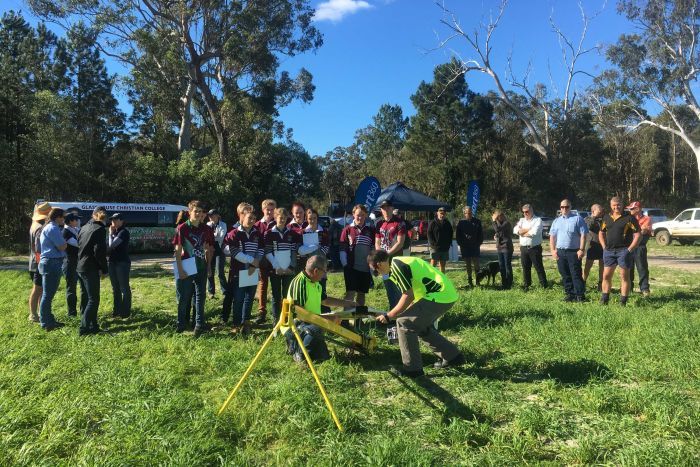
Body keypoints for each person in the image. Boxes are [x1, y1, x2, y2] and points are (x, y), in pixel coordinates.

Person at [369, 250, 465, 378]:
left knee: (404, 323)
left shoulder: (397, 265)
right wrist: (399, 312)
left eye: (375, 271)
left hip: (439, 296)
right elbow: (412, 295)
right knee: (418, 325)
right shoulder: (398, 262)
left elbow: (408, 295)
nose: (377, 274)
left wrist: (389, 315)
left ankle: (412, 369)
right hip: (443, 295)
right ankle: (453, 357)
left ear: (379, 264)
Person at [285, 255, 357, 363]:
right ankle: (297, 351)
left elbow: (325, 300)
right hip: (296, 325)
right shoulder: (300, 283)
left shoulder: (316, 283)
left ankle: (308, 350)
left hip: (312, 323)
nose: (325, 274)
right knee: (316, 330)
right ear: (315, 271)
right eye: (324, 271)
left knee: (324, 357)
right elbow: (300, 314)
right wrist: (326, 319)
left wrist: (348, 303)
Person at [173, 200, 214, 336]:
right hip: (187, 266)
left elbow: (208, 249)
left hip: (201, 266)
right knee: (184, 297)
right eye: (195, 211)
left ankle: (199, 325)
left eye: (200, 212)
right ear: (189, 212)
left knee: (200, 297)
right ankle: (180, 324)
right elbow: (178, 251)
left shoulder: (207, 229)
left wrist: (208, 266)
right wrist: (180, 269)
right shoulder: (182, 228)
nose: (197, 214)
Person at [222, 203, 263, 336]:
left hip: (252, 271)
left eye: (254, 218)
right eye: (249, 217)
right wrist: (252, 261)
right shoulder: (234, 233)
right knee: (238, 299)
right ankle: (236, 324)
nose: (251, 220)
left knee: (249, 298)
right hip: (239, 272)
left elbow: (261, 249)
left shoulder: (257, 233)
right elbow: (234, 252)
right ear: (242, 217)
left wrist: (254, 265)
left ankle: (246, 323)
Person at [599, 197, 641, 306]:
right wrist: (604, 246)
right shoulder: (606, 217)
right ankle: (604, 299)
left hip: (623, 251)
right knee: (606, 276)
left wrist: (630, 249)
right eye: (614, 205)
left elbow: (638, 235)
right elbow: (601, 233)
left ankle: (623, 302)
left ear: (622, 205)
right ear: (610, 205)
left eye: (618, 205)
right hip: (609, 251)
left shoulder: (629, 218)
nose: (616, 207)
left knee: (624, 277)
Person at [264, 207, 301, 324]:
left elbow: (294, 252)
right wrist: (277, 267)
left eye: (285, 218)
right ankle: (276, 321)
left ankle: (286, 319)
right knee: (275, 296)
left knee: (287, 296)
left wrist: (291, 267)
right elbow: (268, 252)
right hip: (276, 270)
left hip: (288, 270)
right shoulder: (269, 233)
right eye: (280, 217)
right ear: (275, 217)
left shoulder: (291, 233)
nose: (282, 220)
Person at [77, 206, 109, 335]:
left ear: (92, 215)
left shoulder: (84, 227)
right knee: (93, 299)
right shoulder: (100, 229)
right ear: (104, 217)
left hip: (80, 267)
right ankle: (84, 329)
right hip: (90, 267)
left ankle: (93, 325)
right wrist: (104, 269)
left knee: (86, 297)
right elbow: (99, 252)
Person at [549, 199, 589, 302]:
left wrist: (581, 249)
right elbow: (552, 237)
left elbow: (583, 235)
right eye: (562, 207)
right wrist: (553, 250)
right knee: (565, 274)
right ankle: (570, 294)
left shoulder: (578, 219)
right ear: (560, 208)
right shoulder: (556, 221)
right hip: (560, 252)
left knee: (575, 274)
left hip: (573, 252)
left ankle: (580, 295)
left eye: (566, 207)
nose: (564, 209)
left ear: (570, 207)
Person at [38, 207, 68, 331]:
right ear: (58, 217)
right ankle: (46, 323)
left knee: (47, 294)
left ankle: (48, 320)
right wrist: (66, 243)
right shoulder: (53, 228)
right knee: (47, 295)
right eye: (63, 217)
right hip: (52, 263)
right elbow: (62, 247)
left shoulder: (49, 227)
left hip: (49, 263)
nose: (64, 220)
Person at [340, 204, 375, 307]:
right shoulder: (347, 229)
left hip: (365, 268)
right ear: (353, 215)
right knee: (350, 294)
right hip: (351, 267)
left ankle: (358, 320)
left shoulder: (371, 230)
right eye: (358, 215)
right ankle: (345, 320)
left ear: (366, 215)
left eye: (363, 215)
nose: (360, 217)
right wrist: (345, 264)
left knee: (361, 294)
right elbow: (342, 249)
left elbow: (373, 249)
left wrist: (372, 266)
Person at [374, 200, 406, 309]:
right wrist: (380, 255)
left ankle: (399, 311)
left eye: (388, 207)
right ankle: (392, 309)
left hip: (396, 260)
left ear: (392, 208)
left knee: (398, 286)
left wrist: (387, 254)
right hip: (384, 261)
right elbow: (377, 242)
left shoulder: (400, 223)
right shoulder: (379, 223)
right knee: (388, 285)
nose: (386, 210)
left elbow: (400, 243)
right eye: (383, 208)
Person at [298, 208, 330, 311]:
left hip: (321, 266)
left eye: (314, 218)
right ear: (307, 219)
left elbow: (326, 248)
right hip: (307, 267)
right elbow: (300, 250)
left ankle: (324, 315)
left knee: (321, 291)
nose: (312, 220)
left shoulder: (324, 232)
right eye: (310, 218)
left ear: (317, 218)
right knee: (308, 291)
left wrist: (314, 251)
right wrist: (315, 247)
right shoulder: (303, 232)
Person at [513, 204, 547, 291]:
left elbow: (534, 232)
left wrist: (522, 231)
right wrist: (528, 229)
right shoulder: (521, 220)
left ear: (531, 211)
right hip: (523, 248)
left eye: (527, 211)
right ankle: (527, 285)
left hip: (534, 248)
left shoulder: (538, 220)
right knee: (525, 268)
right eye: (523, 212)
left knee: (538, 267)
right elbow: (515, 230)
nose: (525, 213)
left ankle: (544, 286)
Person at [28, 202, 51, 323]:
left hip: (34, 262)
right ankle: (33, 315)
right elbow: (38, 249)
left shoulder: (34, 224)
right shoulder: (39, 228)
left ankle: (40, 313)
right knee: (37, 289)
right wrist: (41, 264)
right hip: (37, 263)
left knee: (40, 289)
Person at [254, 199, 276, 324]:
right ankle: (261, 312)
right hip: (261, 258)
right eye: (267, 209)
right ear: (263, 210)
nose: (270, 212)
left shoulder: (278, 223)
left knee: (275, 286)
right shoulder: (257, 225)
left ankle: (276, 313)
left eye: (272, 209)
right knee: (262, 285)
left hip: (275, 258)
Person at [107, 213, 132, 318]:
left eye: (116, 219)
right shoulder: (115, 232)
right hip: (112, 262)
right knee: (115, 288)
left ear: (122, 221)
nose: (113, 221)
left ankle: (125, 312)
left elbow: (111, 246)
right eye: (112, 219)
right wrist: (111, 234)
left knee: (124, 288)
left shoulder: (123, 232)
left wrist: (109, 234)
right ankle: (116, 310)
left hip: (122, 263)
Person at [627, 201, 652, 297]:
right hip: (629, 246)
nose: (630, 210)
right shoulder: (629, 218)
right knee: (628, 268)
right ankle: (628, 288)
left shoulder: (646, 218)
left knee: (642, 268)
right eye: (629, 209)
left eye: (632, 208)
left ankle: (645, 289)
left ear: (638, 209)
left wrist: (634, 232)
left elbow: (643, 231)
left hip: (639, 247)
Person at [455, 206, 483, 287]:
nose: (470, 214)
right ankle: (470, 280)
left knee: (476, 264)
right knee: (468, 264)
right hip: (465, 247)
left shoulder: (477, 221)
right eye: (468, 213)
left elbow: (481, 234)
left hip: (475, 246)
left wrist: (478, 243)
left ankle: (478, 280)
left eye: (471, 213)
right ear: (464, 213)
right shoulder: (461, 222)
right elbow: (458, 235)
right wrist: (461, 244)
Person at [62, 212, 83, 316]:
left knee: (82, 287)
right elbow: (79, 244)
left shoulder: (76, 230)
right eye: (76, 219)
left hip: (78, 263)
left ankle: (83, 311)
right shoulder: (65, 232)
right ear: (70, 221)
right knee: (71, 288)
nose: (78, 221)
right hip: (70, 264)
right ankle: (72, 313)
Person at [206, 209, 228, 298]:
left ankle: (225, 291)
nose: (210, 217)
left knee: (220, 272)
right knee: (210, 270)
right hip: (210, 249)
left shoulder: (223, 224)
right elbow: (206, 238)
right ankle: (211, 292)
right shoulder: (207, 225)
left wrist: (212, 237)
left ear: (218, 216)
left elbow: (221, 237)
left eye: (212, 215)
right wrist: (214, 236)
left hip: (220, 250)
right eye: (209, 215)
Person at [583, 204, 604, 291]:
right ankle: (583, 282)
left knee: (602, 265)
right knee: (588, 265)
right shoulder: (587, 219)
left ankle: (601, 284)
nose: (601, 212)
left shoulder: (603, 219)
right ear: (593, 211)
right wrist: (594, 217)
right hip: (592, 245)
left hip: (602, 245)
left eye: (601, 211)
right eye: (599, 211)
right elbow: (589, 226)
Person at [492, 210, 514, 289]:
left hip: (507, 247)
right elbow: (498, 232)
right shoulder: (498, 224)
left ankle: (509, 283)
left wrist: (494, 221)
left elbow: (498, 229)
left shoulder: (506, 223)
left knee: (507, 265)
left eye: (498, 217)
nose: (498, 219)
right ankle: (504, 283)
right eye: (497, 218)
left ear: (502, 216)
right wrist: (496, 237)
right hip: (499, 248)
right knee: (501, 266)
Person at [427, 207, 453, 273]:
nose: (442, 215)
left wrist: (448, 244)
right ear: (437, 213)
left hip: (444, 248)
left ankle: (442, 281)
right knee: (433, 265)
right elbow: (429, 234)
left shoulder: (447, 223)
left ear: (445, 214)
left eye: (443, 214)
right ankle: (431, 279)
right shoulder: (432, 223)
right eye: (441, 213)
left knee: (442, 265)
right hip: (435, 248)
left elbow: (451, 234)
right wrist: (433, 244)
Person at [288, 201, 308, 274]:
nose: (299, 215)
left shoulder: (309, 225)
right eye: (296, 212)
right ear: (292, 213)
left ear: (304, 212)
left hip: (308, 261)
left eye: (301, 212)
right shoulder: (288, 227)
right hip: (294, 262)